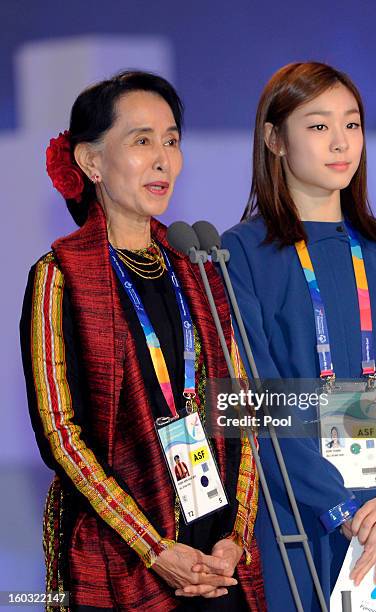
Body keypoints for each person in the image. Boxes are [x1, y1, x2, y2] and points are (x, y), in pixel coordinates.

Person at [20, 71, 265, 612]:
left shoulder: (196, 266)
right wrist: (154, 549)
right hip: (122, 553)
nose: (163, 159)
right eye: (141, 140)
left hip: (216, 554)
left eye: (172, 140)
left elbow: (240, 411)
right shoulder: (61, 275)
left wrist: (235, 541)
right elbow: (61, 435)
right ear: (90, 162)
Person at [222, 62, 376, 610]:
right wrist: (335, 507)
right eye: (319, 125)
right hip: (297, 518)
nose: (341, 142)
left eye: (352, 124)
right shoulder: (239, 254)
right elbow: (246, 402)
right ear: (274, 139)